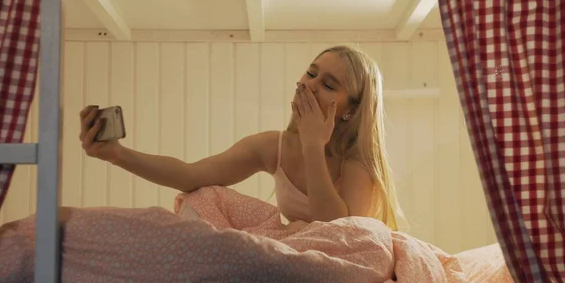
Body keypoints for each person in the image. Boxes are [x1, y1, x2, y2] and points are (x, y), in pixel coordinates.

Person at [79, 45, 408, 231]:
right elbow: (190, 175)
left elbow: (344, 233)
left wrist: (313, 146)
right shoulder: (272, 146)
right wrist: (117, 154)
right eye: (311, 73)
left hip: (345, 256)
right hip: (299, 253)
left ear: (350, 111)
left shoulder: (356, 162)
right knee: (203, 196)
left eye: (328, 84)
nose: (309, 84)